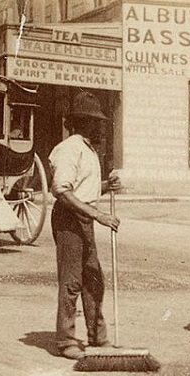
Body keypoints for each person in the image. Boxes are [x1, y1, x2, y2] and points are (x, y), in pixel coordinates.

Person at [49, 91, 121, 359]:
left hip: (84, 217)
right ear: (82, 122)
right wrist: (98, 215)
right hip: (69, 219)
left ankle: (97, 336)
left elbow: (84, 188)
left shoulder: (88, 149)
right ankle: (66, 340)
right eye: (95, 121)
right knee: (72, 281)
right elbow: (62, 191)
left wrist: (106, 186)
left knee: (93, 279)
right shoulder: (69, 148)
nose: (99, 126)